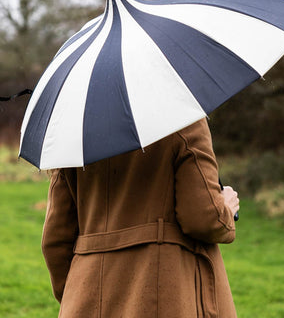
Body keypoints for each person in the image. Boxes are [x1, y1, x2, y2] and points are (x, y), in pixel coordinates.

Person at [42, 118, 240, 317]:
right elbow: (203, 218)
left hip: (85, 300)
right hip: (166, 295)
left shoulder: (75, 131)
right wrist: (226, 209)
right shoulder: (181, 119)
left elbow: (56, 240)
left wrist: (78, 293)